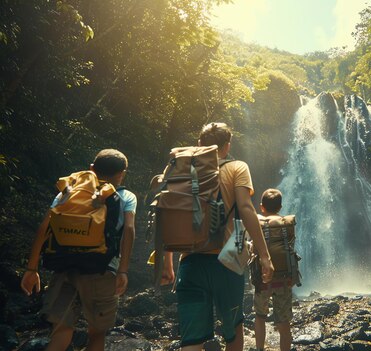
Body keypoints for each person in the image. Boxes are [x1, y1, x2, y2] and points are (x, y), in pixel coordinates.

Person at [162, 122, 274, 351]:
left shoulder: (178, 167)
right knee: (233, 331)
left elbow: (168, 212)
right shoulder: (238, 167)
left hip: (190, 261)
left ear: (199, 144)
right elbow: (246, 208)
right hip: (228, 261)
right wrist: (264, 255)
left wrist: (167, 263)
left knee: (192, 340)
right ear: (227, 145)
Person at [20, 149, 137, 351]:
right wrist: (123, 270)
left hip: (64, 267)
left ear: (92, 168)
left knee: (61, 331)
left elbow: (44, 227)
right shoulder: (126, 196)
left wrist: (32, 269)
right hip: (102, 269)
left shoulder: (67, 192)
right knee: (97, 333)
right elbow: (128, 230)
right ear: (122, 174)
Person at [253, 188, 294, 351]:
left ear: (261, 207)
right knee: (284, 321)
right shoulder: (287, 224)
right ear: (280, 207)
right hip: (283, 279)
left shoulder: (258, 223)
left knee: (260, 316)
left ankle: (259, 349)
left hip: (262, 279)